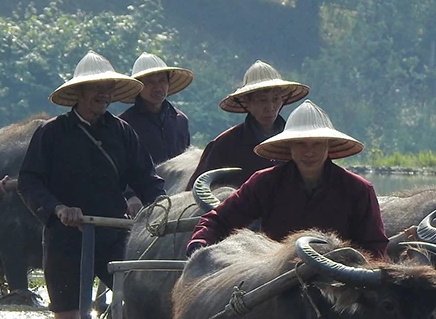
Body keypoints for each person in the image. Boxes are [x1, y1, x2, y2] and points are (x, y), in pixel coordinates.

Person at [18, 51, 167, 319]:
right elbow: (29, 182)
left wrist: (163, 209)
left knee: (136, 301)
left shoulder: (122, 132)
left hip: (113, 232)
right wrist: (58, 208)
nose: (104, 94)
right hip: (65, 236)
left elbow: (146, 179)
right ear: (79, 92)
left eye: (108, 88)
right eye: (96, 87)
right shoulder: (52, 133)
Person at [186, 100, 388, 260]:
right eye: (300, 144)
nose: (309, 152)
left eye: (317, 144)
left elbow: (374, 248)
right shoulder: (265, 182)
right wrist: (200, 244)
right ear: (289, 147)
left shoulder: (358, 189)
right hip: (275, 279)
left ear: (329, 147)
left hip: (336, 282)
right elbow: (219, 219)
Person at [185, 59, 309, 190]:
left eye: (276, 99)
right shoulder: (225, 145)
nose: (270, 107)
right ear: (247, 103)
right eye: (262, 100)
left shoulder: (295, 141)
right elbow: (196, 190)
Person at [117, 52, 193, 214]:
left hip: (177, 199)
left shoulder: (180, 120)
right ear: (139, 86)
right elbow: (118, 167)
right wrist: (130, 196)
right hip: (139, 203)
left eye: (162, 81)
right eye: (150, 82)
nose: (157, 87)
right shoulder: (124, 124)